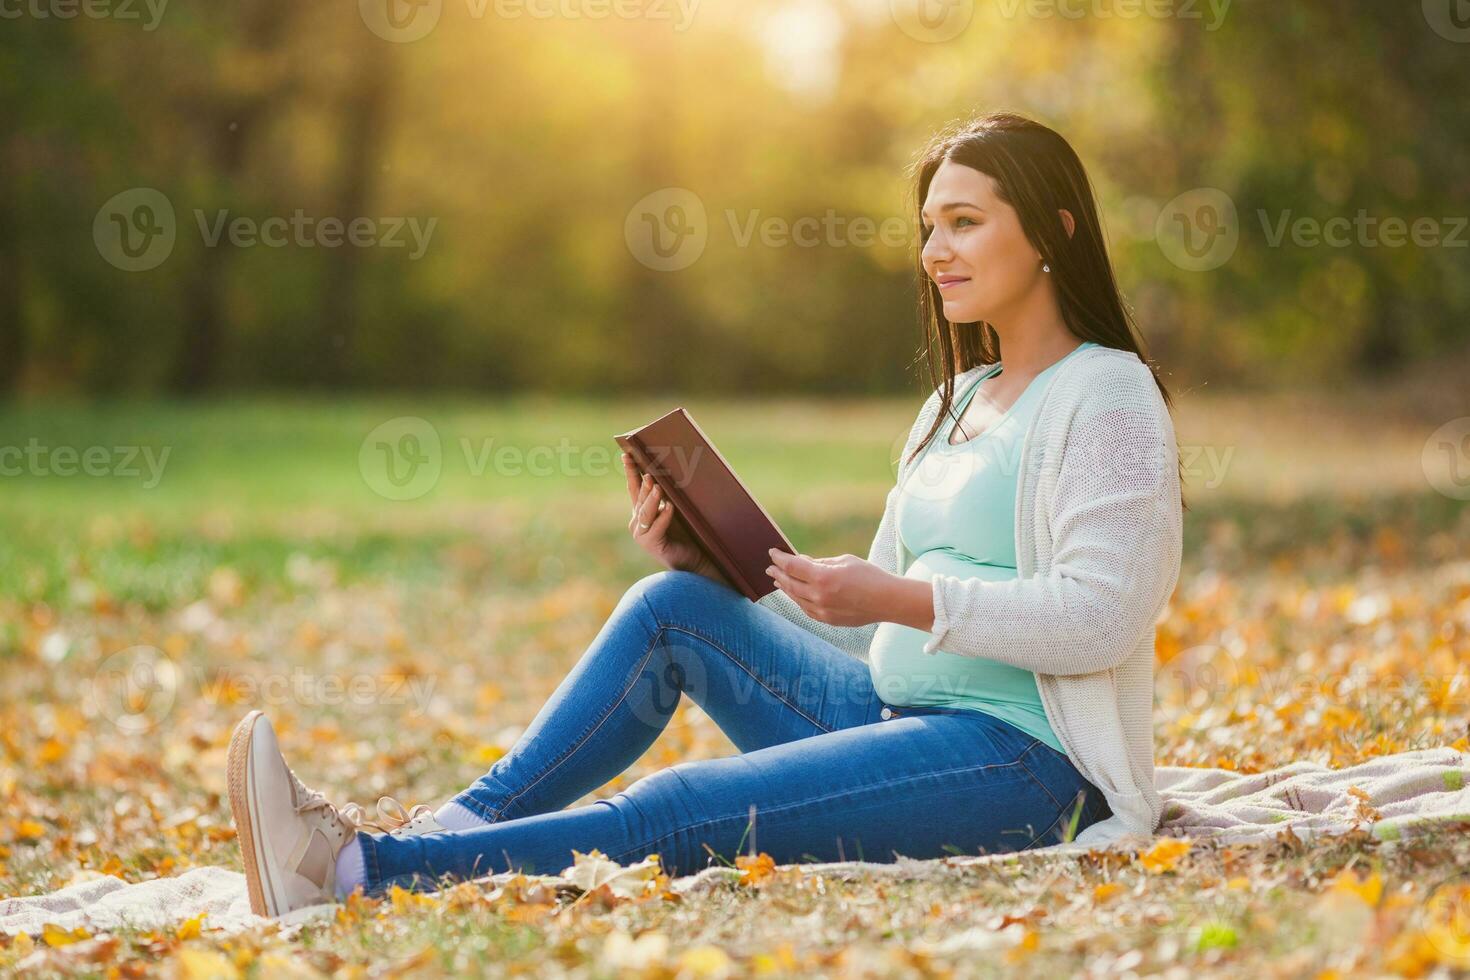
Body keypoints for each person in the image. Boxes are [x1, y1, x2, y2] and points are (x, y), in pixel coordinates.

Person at [225, 110, 1186, 918]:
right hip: (882, 712)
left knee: (680, 806)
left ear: (1053, 232)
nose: (935, 251)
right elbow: (862, 620)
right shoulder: (956, 402)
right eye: (930, 226)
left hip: (1021, 763)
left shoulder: (1106, 396)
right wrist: (716, 562)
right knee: (667, 608)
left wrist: (903, 597)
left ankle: (357, 874)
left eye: (966, 222)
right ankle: (449, 831)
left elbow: (1105, 613)